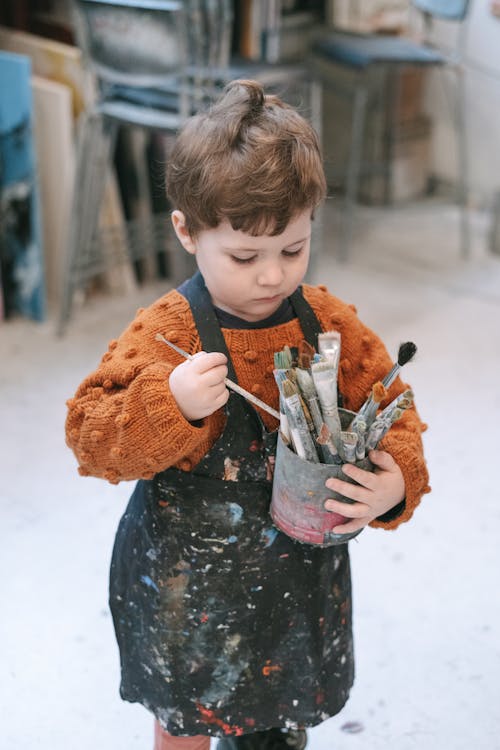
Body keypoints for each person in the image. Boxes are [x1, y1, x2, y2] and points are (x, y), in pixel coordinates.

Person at [65, 79, 430, 750]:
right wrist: (166, 403)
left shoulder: (326, 324)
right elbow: (90, 437)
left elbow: (391, 407)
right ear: (187, 231)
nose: (272, 277)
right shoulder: (166, 330)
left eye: (293, 249)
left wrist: (394, 482)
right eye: (244, 256)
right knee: (186, 724)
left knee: (277, 724)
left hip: (294, 593)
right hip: (185, 597)